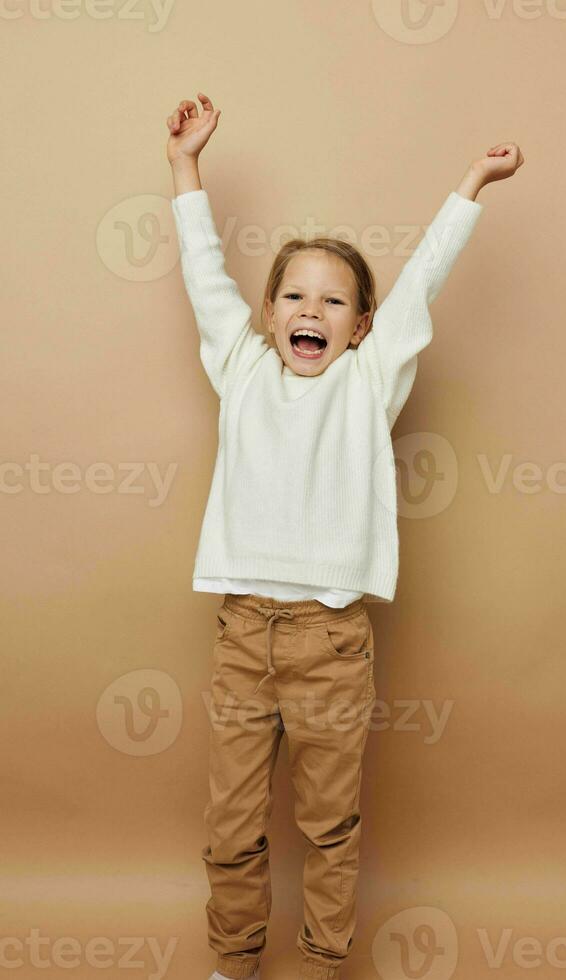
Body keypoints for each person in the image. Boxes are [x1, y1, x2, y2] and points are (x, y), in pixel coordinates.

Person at [166, 92, 523, 980]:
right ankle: (232, 961)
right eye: (292, 295)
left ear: (362, 326)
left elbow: (423, 281)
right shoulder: (241, 367)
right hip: (245, 633)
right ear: (267, 314)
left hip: (330, 641)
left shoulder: (370, 385)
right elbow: (203, 272)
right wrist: (185, 167)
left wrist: (473, 183)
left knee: (329, 824)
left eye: (332, 300)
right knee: (231, 824)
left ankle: (324, 964)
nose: (309, 310)